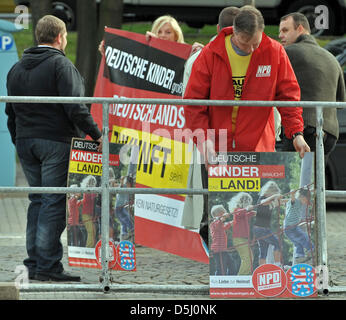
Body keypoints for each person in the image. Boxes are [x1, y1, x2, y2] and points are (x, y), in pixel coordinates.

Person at [5, 15, 102, 282]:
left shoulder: (16, 69)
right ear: (60, 37)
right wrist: (96, 135)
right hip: (55, 143)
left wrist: (18, 140)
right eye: (66, 38)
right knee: (52, 202)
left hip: (26, 143)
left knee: (36, 201)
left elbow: (9, 111)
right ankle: (48, 266)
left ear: (38, 36)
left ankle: (34, 263)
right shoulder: (61, 65)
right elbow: (75, 107)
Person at [183, 6, 310, 161]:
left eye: (256, 44)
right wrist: (204, 140)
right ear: (234, 32)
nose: (250, 50)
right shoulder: (210, 54)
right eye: (244, 43)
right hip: (217, 148)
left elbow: (288, 97)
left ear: (262, 32)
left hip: (259, 147)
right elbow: (194, 103)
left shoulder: (275, 52)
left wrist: (297, 134)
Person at [278, 12, 346, 163]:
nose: (281, 36)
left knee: (291, 180)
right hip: (330, 132)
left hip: (302, 128)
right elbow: (340, 99)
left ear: (300, 29)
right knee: (316, 181)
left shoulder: (287, 53)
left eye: (285, 30)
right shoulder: (332, 58)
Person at [253, 181, 282, 266]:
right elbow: (263, 202)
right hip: (261, 229)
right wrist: (275, 196)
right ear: (269, 192)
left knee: (263, 251)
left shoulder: (269, 202)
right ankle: (277, 265)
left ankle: (262, 268)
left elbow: (280, 202)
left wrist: (290, 199)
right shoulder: (262, 198)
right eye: (274, 193)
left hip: (259, 229)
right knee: (277, 244)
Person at [283, 188, 314, 264]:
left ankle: (299, 257)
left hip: (289, 228)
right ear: (302, 197)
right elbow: (293, 199)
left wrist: (311, 190)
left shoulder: (299, 203)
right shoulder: (295, 201)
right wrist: (292, 193)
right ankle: (312, 250)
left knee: (298, 243)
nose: (305, 203)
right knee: (304, 237)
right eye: (306, 201)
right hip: (291, 227)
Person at [228, 192, 256, 275]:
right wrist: (247, 209)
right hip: (239, 239)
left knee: (250, 258)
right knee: (247, 258)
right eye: (248, 203)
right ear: (244, 202)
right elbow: (240, 213)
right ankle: (240, 277)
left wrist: (253, 213)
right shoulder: (236, 211)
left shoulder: (242, 213)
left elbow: (245, 215)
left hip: (243, 239)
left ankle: (246, 275)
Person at [209, 205, 234, 275]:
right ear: (219, 214)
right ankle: (217, 282)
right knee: (221, 268)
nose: (225, 212)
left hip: (223, 250)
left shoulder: (220, 224)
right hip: (218, 250)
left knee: (232, 265)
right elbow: (218, 224)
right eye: (223, 212)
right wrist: (222, 218)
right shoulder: (213, 224)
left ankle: (229, 280)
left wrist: (233, 222)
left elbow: (225, 226)